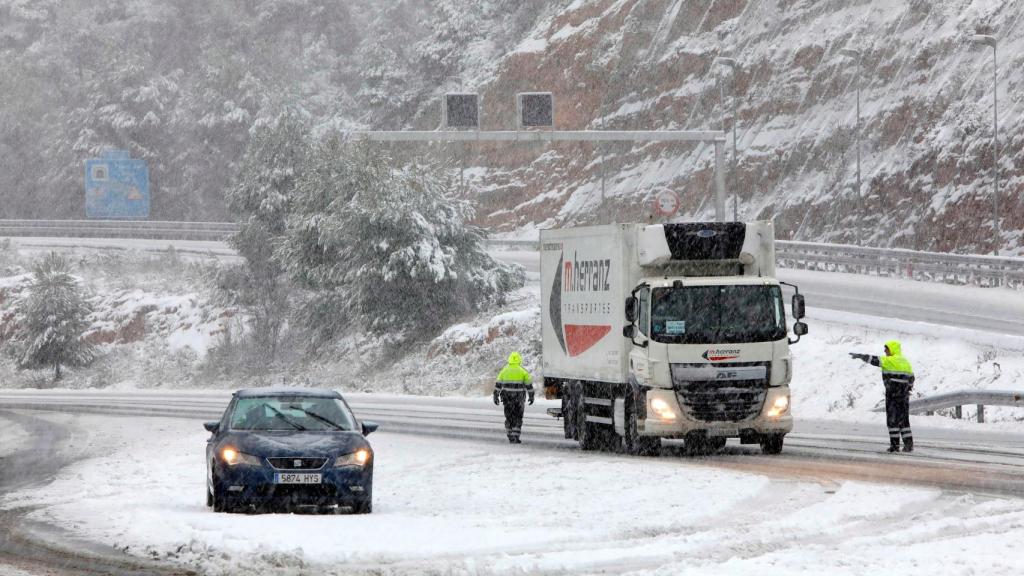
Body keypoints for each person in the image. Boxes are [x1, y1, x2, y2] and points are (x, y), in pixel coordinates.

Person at [850, 340, 915, 452]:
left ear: (892, 349)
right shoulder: (905, 362)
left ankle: (895, 447)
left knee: (892, 421)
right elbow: (912, 378)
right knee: (904, 421)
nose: (885, 351)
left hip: (892, 395)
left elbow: (873, 359)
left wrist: (861, 356)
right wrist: (907, 389)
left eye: (887, 349)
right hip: (903, 396)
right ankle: (908, 445)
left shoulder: (889, 360)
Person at [492, 351, 534, 444]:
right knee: (518, 417)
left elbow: (498, 385)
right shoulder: (523, 371)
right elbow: (529, 386)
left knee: (509, 417)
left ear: (509, 360)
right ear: (519, 360)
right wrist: (531, 396)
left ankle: (510, 434)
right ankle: (515, 436)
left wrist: (495, 395)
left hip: (507, 399)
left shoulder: (504, 370)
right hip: (519, 399)